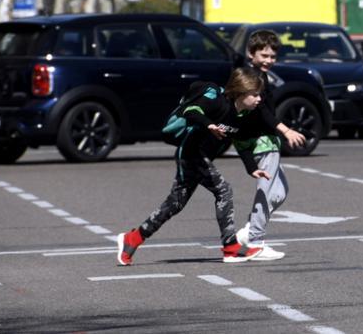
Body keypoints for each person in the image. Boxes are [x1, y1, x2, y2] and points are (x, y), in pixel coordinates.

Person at [116, 67, 271, 265]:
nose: (259, 99)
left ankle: (133, 238)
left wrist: (252, 168)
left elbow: (241, 143)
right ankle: (231, 247)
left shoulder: (244, 116)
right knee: (224, 191)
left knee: (175, 204)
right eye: (255, 94)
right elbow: (191, 110)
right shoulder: (218, 102)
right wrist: (208, 124)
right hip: (191, 153)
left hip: (200, 157)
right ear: (241, 91)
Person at [234, 30, 307, 259]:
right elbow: (262, 111)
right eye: (264, 55)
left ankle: (249, 231)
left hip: (267, 140)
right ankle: (255, 239)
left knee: (280, 192)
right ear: (251, 53)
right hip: (261, 141)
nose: (269, 60)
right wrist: (285, 130)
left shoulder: (260, 76)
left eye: (273, 56)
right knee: (267, 191)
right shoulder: (251, 77)